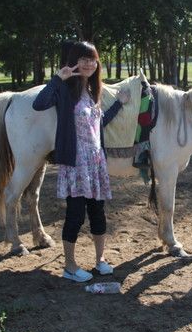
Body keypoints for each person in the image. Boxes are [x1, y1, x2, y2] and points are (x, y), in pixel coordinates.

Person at [32, 41, 130, 283]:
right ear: (74, 61)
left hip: (95, 163)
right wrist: (57, 78)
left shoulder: (91, 91)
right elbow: (39, 103)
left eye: (92, 59)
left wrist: (119, 103)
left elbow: (98, 123)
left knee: (98, 213)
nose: (88, 63)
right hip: (76, 164)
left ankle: (100, 261)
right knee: (75, 215)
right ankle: (70, 266)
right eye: (83, 58)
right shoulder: (66, 90)